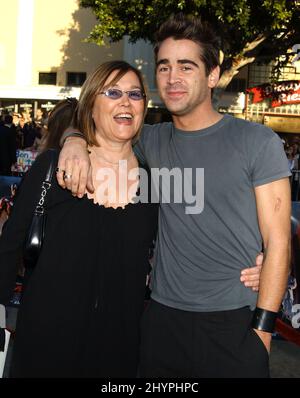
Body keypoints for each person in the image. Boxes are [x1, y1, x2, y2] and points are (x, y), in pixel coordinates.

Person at [57, 14, 291, 378]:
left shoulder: (256, 142)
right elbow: (92, 117)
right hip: (161, 322)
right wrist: (72, 140)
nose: (173, 78)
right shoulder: (148, 140)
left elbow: (278, 241)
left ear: (213, 75)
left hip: (233, 324)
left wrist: (262, 330)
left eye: (187, 66)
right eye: (164, 67)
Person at [0, 61, 158, 377]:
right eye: (113, 92)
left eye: (135, 94)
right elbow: (8, 249)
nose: (126, 101)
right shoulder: (53, 167)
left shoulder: (154, 184)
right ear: (91, 105)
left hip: (117, 352)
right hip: (44, 347)